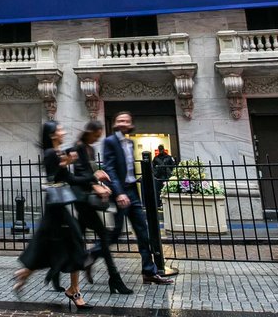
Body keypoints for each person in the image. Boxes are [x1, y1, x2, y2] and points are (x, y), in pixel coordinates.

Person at [15, 122, 92, 309]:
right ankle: (72, 290)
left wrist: (93, 177)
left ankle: (26, 273)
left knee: (59, 245)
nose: (63, 131)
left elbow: (70, 179)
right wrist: (66, 162)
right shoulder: (51, 154)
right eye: (60, 129)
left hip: (59, 207)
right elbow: (53, 176)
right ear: (52, 135)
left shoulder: (58, 153)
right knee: (68, 243)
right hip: (55, 208)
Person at [101, 112, 172, 286]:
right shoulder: (110, 141)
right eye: (120, 120)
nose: (123, 123)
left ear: (131, 124)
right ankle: (89, 257)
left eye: (126, 121)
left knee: (143, 232)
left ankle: (149, 272)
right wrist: (118, 193)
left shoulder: (130, 143)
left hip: (132, 192)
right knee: (115, 234)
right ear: (115, 124)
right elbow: (109, 169)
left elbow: (129, 170)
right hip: (121, 193)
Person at [71, 120, 131, 294]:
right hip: (83, 201)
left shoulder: (89, 148)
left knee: (77, 239)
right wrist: (95, 183)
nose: (97, 138)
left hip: (86, 200)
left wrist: (99, 179)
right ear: (90, 132)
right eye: (96, 135)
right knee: (103, 235)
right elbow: (81, 174)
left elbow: (90, 172)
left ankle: (60, 271)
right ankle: (114, 278)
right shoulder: (79, 147)